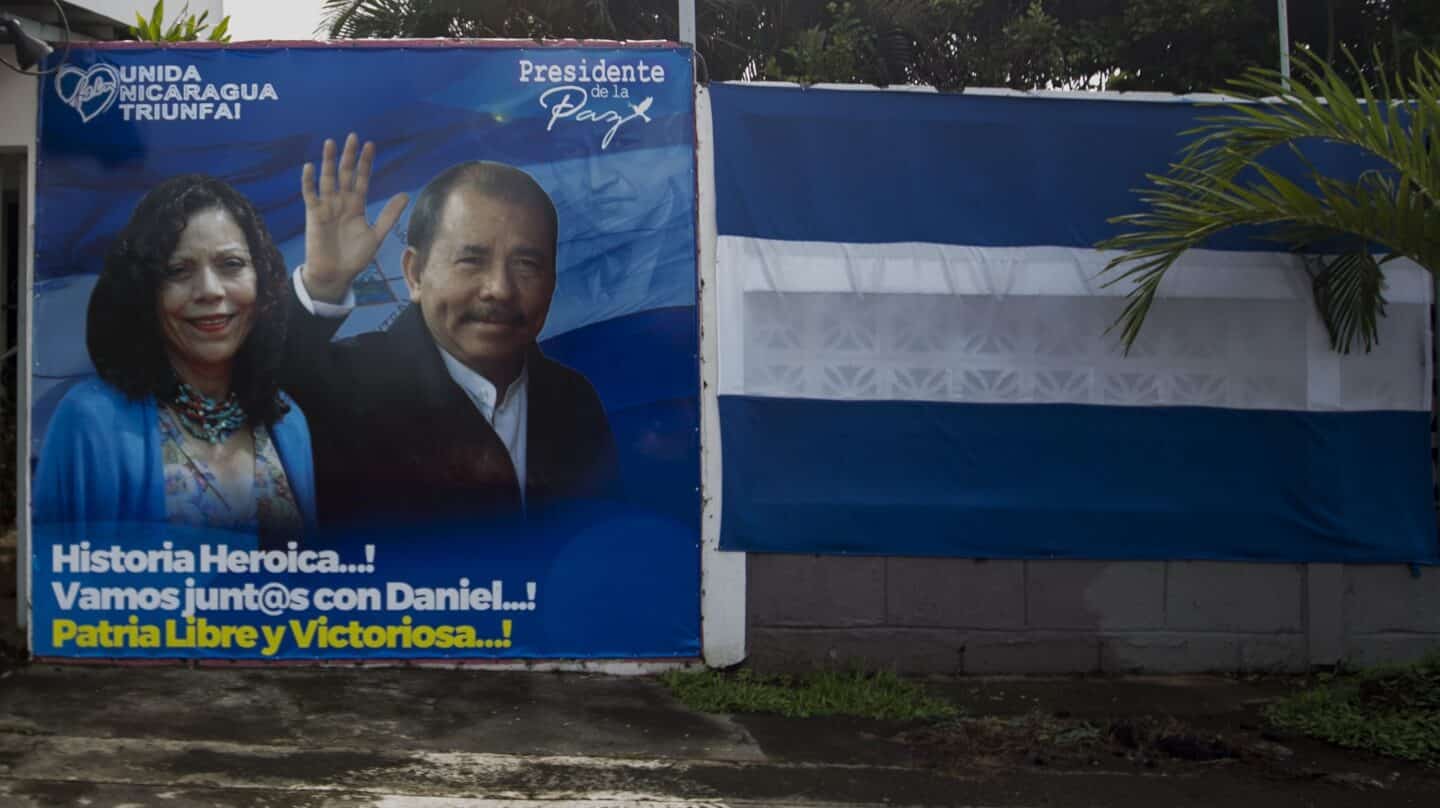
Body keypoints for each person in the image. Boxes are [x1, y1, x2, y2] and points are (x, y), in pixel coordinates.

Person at [281, 134, 621, 526]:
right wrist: (323, 286)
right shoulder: (345, 383)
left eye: (526, 264)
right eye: (471, 261)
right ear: (415, 273)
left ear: (552, 279)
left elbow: (601, 547)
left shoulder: (573, 401)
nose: (500, 289)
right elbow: (238, 391)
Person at [34, 175, 318, 543]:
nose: (210, 291)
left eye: (231, 264)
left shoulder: (287, 421)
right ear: (144, 290)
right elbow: (62, 585)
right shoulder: (92, 421)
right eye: (177, 271)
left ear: (261, 278)